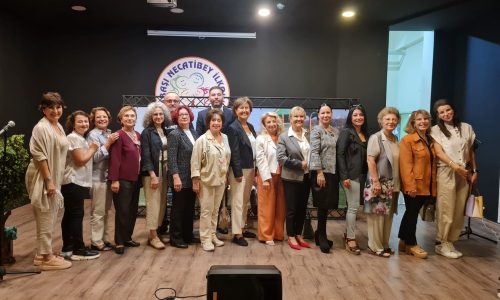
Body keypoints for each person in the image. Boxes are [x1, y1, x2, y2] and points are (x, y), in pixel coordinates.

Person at [26, 92, 72, 270]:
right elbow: (39, 156)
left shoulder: (57, 125)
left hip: (53, 176)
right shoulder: (41, 127)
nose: (55, 110)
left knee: (50, 214)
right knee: (45, 214)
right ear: (43, 109)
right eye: (50, 107)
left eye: (58, 106)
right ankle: (46, 257)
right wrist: (49, 181)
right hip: (43, 176)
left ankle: (42, 253)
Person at [431, 99, 477, 259]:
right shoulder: (435, 130)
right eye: (441, 112)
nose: (446, 114)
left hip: (464, 172)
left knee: (458, 209)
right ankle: (441, 242)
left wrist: (474, 170)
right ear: (438, 115)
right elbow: (438, 152)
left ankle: (451, 241)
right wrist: (453, 166)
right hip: (446, 172)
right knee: (446, 207)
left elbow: (471, 152)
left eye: (448, 110)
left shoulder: (466, 127)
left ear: (453, 110)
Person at [60, 111, 101, 261]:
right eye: (80, 122)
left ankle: (68, 248)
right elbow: (80, 160)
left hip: (77, 182)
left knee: (71, 214)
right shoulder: (73, 138)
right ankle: (78, 249)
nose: (84, 124)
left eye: (86, 121)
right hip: (73, 181)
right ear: (72, 123)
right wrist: (93, 148)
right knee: (76, 215)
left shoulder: (80, 138)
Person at [195, 86, 235, 235]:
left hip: (224, 165)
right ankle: (206, 235)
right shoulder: (201, 114)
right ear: (209, 98)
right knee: (207, 205)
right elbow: (198, 139)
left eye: (219, 94)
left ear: (223, 97)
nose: (216, 97)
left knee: (219, 201)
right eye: (213, 95)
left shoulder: (231, 114)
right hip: (208, 165)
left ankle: (219, 227)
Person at [398, 110, 437, 259]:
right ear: (413, 123)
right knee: (412, 214)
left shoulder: (430, 139)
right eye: (419, 119)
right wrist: (410, 186)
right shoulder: (407, 140)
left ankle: (403, 241)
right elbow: (405, 165)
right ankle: (411, 244)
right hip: (414, 186)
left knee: (410, 213)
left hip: (426, 185)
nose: (423, 121)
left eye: (425, 119)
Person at [191, 109, 231, 251]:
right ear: (208, 122)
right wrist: (196, 181)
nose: (216, 123)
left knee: (215, 210)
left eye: (218, 120)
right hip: (206, 181)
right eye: (213, 120)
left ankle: (213, 235)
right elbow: (195, 162)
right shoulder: (201, 140)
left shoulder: (225, 138)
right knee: (206, 211)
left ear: (222, 123)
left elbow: (227, 158)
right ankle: (205, 239)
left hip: (220, 180)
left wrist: (226, 176)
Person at [366, 107, 401, 257]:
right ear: (381, 121)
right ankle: (375, 246)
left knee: (388, 216)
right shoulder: (376, 138)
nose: (391, 122)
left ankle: (385, 244)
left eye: (394, 119)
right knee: (377, 216)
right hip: (379, 183)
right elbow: (370, 160)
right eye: (387, 119)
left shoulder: (395, 139)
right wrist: (375, 182)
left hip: (393, 184)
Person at [277, 106, 311, 250]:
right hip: (291, 178)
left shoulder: (308, 134)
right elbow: (281, 158)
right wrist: (299, 164)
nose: (299, 119)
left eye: (301, 116)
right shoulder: (284, 136)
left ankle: (298, 234)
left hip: (307, 177)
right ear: (290, 119)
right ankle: (290, 236)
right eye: (295, 116)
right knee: (291, 208)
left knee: (302, 208)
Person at [108, 105, 141, 255]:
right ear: (121, 119)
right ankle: (119, 241)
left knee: (133, 210)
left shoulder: (138, 135)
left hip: (136, 178)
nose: (129, 118)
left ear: (136, 118)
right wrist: (114, 180)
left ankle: (128, 237)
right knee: (123, 210)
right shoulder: (118, 135)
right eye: (126, 116)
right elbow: (115, 160)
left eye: (132, 116)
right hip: (122, 179)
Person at [336, 104, 368, 255]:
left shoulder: (365, 134)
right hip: (350, 175)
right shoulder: (346, 133)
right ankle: (350, 239)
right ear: (350, 117)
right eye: (355, 115)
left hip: (362, 175)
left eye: (360, 115)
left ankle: (348, 234)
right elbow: (340, 154)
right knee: (353, 207)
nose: (358, 117)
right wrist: (344, 176)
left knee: (355, 207)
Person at [309, 103, 340, 254]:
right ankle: (322, 236)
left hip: (333, 173)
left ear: (331, 114)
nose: (326, 115)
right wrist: (319, 172)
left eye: (328, 112)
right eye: (323, 113)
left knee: (327, 205)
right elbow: (314, 152)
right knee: (322, 204)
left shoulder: (335, 131)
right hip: (321, 173)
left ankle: (319, 233)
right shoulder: (316, 131)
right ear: (319, 115)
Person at [87, 107, 119, 252]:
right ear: (93, 120)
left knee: (106, 211)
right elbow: (94, 157)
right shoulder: (92, 135)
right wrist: (108, 144)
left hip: (108, 178)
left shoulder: (110, 133)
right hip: (97, 178)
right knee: (98, 212)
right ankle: (95, 241)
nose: (102, 119)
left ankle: (104, 239)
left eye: (104, 117)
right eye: (98, 117)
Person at [227, 97, 257, 246]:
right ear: (236, 110)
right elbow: (234, 152)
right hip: (239, 171)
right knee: (238, 202)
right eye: (241, 108)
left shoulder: (251, 126)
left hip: (251, 168)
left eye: (247, 108)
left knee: (245, 202)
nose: (244, 110)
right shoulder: (233, 128)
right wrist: (238, 172)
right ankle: (236, 234)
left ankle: (242, 228)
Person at [140, 102, 171, 250]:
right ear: (150, 117)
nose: (158, 117)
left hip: (164, 171)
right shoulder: (147, 132)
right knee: (153, 204)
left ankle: (155, 232)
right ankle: (152, 235)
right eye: (155, 114)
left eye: (160, 114)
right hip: (153, 172)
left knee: (161, 203)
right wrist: (152, 175)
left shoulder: (165, 131)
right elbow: (145, 156)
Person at [168, 106, 198, 248]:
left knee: (189, 208)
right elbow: (172, 158)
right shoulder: (174, 134)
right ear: (176, 118)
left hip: (192, 178)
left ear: (190, 116)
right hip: (180, 177)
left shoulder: (194, 133)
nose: (184, 117)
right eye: (180, 115)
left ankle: (188, 235)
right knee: (178, 209)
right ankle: (176, 238)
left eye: (186, 114)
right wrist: (176, 177)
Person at [255, 112, 286, 245]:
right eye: (268, 122)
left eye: (274, 121)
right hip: (267, 176)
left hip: (282, 176)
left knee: (280, 208)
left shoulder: (282, 138)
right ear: (264, 125)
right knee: (266, 208)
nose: (272, 124)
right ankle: (266, 236)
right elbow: (261, 160)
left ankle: (278, 234)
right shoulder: (261, 139)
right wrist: (266, 179)